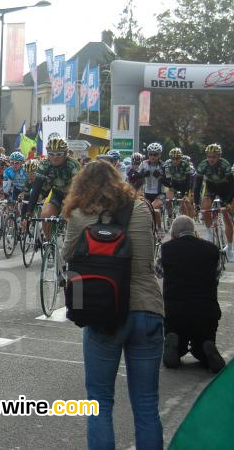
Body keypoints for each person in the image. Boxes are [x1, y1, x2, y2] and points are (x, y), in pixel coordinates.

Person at [61, 160, 164, 450]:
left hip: (103, 313)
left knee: (100, 403)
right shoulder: (142, 208)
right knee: (146, 404)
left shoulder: (80, 214)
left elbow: (67, 257)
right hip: (147, 307)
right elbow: (148, 257)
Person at [158, 215, 226, 373]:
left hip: (176, 311)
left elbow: (158, 272)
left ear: (174, 233)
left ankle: (175, 342)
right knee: (202, 345)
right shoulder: (212, 249)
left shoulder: (166, 249)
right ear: (195, 232)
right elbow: (217, 275)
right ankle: (206, 346)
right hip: (206, 312)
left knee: (176, 337)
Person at [22, 136, 81, 241]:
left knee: (72, 218)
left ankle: (72, 243)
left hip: (73, 194)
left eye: (59, 154)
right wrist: (29, 212)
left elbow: (80, 187)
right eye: (51, 154)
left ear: (66, 153)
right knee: (45, 215)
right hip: (57, 193)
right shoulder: (45, 164)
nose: (55, 157)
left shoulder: (73, 165)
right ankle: (49, 243)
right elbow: (36, 188)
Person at [194, 143, 234, 260]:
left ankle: (230, 247)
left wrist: (228, 201)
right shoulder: (203, 165)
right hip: (211, 188)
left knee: (226, 216)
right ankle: (209, 232)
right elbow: (197, 186)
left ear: (219, 156)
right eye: (209, 156)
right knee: (205, 208)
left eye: (214, 157)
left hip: (225, 189)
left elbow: (232, 185)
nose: (211, 159)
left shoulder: (225, 165)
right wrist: (196, 203)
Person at [133, 142, 166, 238]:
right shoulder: (143, 164)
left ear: (159, 155)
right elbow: (134, 176)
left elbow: (169, 182)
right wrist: (143, 174)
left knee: (153, 209)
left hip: (159, 194)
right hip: (147, 193)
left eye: (155, 154)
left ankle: (160, 228)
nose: (152, 156)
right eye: (150, 154)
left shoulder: (163, 166)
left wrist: (160, 177)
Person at [163, 147, 195, 218]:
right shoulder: (168, 163)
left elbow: (188, 178)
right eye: (173, 158)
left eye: (177, 158)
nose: (175, 161)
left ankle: (188, 219)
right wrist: (169, 186)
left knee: (184, 203)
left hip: (184, 184)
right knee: (168, 200)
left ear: (181, 158)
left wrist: (187, 192)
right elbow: (167, 177)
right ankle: (169, 216)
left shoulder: (185, 164)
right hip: (174, 183)